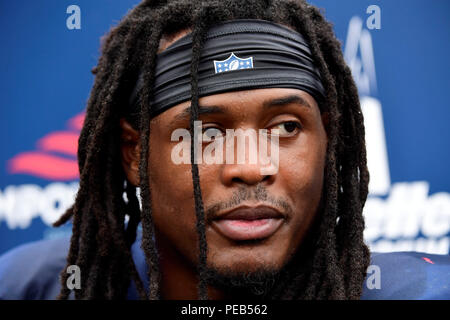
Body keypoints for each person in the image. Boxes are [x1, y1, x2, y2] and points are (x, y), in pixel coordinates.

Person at [0, 0, 449, 300]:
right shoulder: (41, 287)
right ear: (135, 154)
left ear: (328, 143)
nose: (251, 166)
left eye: (286, 127)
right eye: (205, 134)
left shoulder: (421, 291)